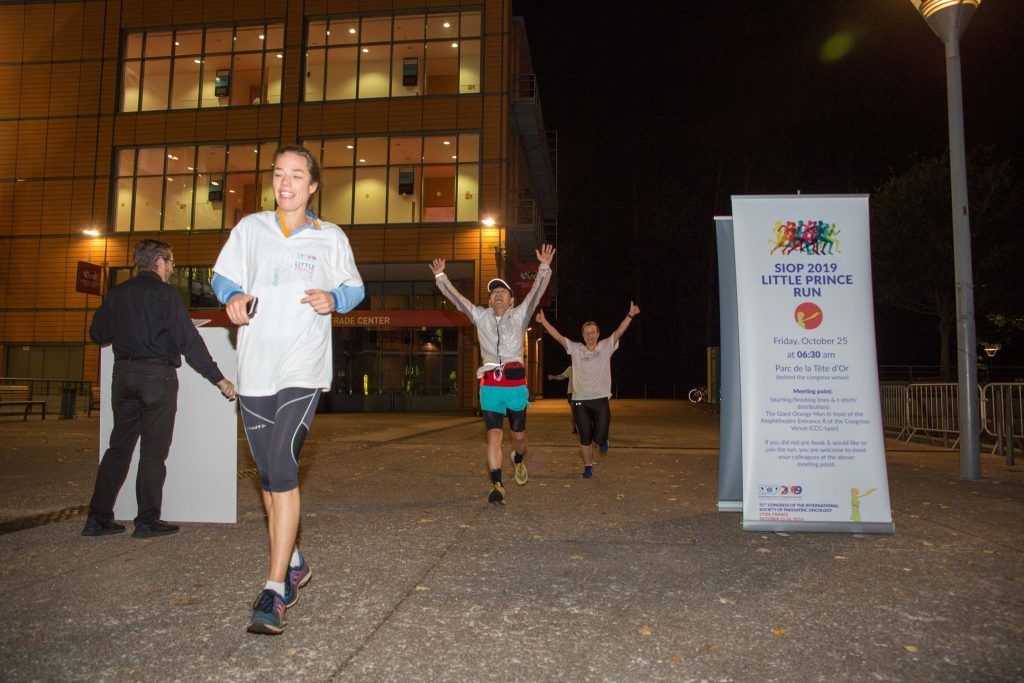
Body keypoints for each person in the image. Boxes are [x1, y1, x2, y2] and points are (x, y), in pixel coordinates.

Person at [212, 145, 364, 635]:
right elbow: (222, 276)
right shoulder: (250, 229)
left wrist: (333, 297)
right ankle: (294, 557)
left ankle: (274, 590)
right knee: (267, 474)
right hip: (255, 367)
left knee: (282, 466)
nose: (286, 183)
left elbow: (355, 288)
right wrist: (233, 296)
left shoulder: (329, 236)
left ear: (312, 186)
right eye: (279, 174)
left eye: (297, 175)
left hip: (303, 366)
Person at [83, 239, 237, 540]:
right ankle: (146, 520)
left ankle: (97, 518)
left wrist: (129, 326)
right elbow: (189, 341)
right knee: (153, 451)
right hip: (157, 377)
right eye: (171, 263)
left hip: (123, 376)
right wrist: (219, 379)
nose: (171, 269)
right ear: (158, 262)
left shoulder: (116, 294)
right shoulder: (165, 295)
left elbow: (97, 334)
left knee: (118, 448)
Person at [430, 245, 555, 504]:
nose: (498, 294)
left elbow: (535, 294)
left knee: (519, 437)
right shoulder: (480, 316)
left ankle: (518, 458)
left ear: (511, 299)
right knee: (495, 436)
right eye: (494, 292)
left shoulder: (519, 316)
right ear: (489, 300)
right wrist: (441, 277)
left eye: (503, 291)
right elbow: (458, 300)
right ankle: (497, 484)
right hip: (490, 386)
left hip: (515, 385)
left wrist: (544, 267)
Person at [535, 301, 640, 478]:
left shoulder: (605, 346)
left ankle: (603, 441)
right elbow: (558, 337)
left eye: (593, 332)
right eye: (586, 333)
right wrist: (543, 321)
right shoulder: (576, 349)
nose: (590, 335)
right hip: (580, 402)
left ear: (598, 334)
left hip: (600, 401)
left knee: (599, 438)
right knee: (585, 438)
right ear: (583, 335)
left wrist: (630, 315)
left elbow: (619, 331)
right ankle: (588, 466)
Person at [547, 365, 578, 434]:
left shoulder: (571, 368)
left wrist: (553, 377)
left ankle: (574, 428)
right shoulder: (578, 368)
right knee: (578, 411)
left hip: (572, 394)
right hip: (578, 394)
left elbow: (561, 376)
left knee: (573, 411)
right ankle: (577, 427)